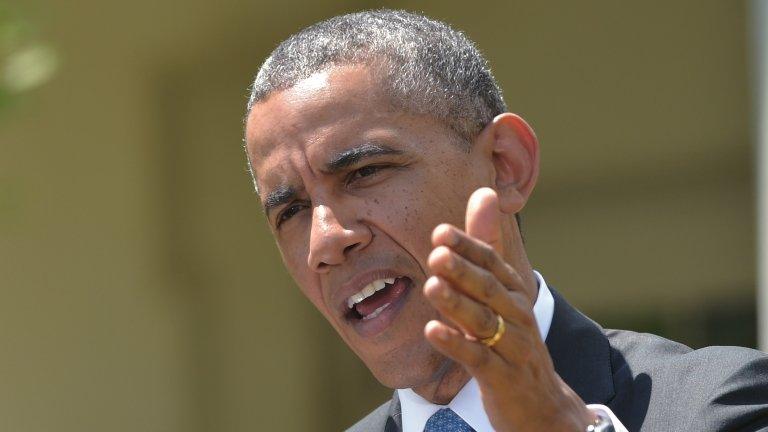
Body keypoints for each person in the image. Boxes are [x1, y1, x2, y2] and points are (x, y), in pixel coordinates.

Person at [242, 9, 768, 432]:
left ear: (504, 166)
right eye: (292, 210)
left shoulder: (720, 404)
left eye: (364, 172)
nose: (326, 241)